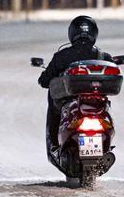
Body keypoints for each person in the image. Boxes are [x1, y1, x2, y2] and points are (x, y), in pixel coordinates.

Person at [37, 15, 114, 158]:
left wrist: (46, 77)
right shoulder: (103, 57)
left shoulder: (62, 56)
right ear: (94, 33)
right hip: (94, 105)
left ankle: (54, 142)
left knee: (53, 100)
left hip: (72, 104)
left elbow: (44, 81)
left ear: (72, 33)